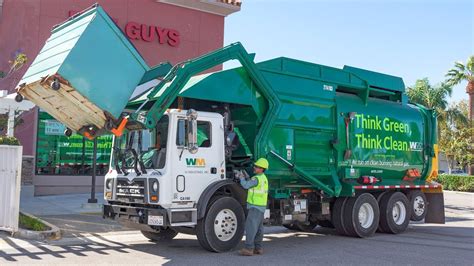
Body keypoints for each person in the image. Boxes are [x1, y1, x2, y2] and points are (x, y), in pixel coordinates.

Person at [239, 158, 269, 256]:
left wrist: (241, 177)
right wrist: (248, 177)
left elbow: (246, 186)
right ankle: (258, 248)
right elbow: (252, 184)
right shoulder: (263, 178)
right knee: (259, 229)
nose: (254, 167)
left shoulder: (256, 179)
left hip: (254, 206)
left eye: (256, 166)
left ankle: (248, 249)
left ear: (262, 169)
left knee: (251, 227)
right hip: (261, 207)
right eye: (255, 166)